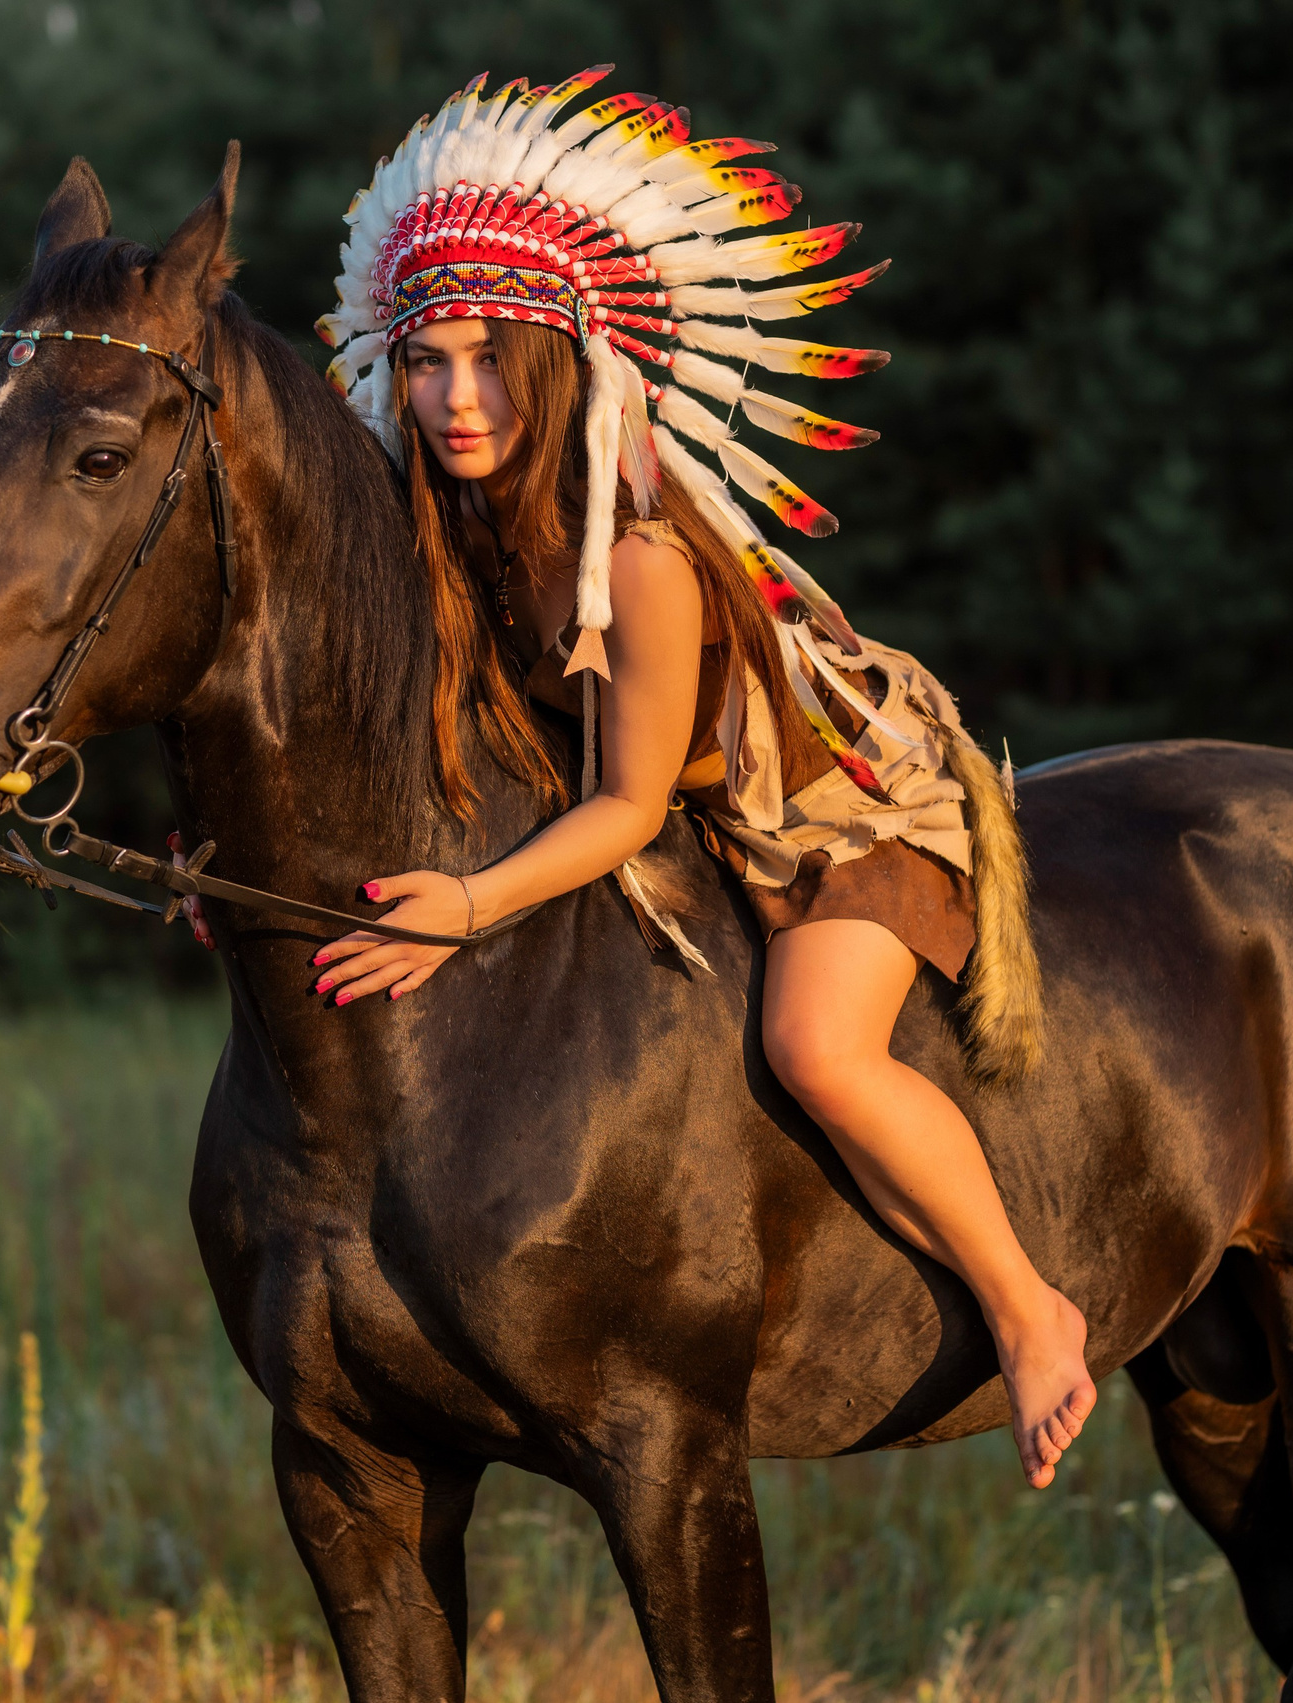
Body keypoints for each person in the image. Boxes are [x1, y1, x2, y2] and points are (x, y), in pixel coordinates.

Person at [308, 69, 1096, 1487]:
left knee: (817, 1050)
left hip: (825, 809)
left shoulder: (642, 561)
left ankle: (1031, 1308)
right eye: (425, 361)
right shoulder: (461, 535)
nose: (454, 397)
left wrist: (467, 908)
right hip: (680, 813)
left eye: (491, 359)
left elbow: (622, 804)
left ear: (561, 365)